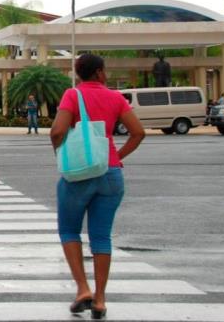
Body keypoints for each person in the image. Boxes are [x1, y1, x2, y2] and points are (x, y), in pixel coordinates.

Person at [50, 54, 145, 320]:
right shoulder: (115, 97)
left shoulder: (72, 95)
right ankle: (100, 299)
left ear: (80, 74)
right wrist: (116, 157)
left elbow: (57, 131)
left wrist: (60, 154)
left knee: (69, 230)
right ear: (100, 72)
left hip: (78, 174)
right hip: (110, 173)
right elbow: (138, 132)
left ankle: (82, 289)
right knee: (101, 236)